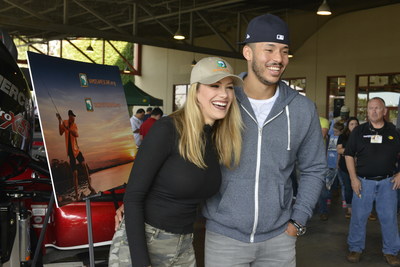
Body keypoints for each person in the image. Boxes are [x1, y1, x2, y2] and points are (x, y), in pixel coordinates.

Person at [202, 14, 327, 266]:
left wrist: (298, 220)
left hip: (279, 240)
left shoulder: (302, 109)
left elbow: (315, 168)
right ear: (248, 52)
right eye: (269, 49)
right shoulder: (223, 102)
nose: (278, 59)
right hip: (224, 237)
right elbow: (183, 152)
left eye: (284, 51)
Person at [108, 57, 244, 267]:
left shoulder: (215, 138)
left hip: (184, 244)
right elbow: (133, 197)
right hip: (144, 241)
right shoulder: (168, 129)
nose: (224, 94)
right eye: (215, 85)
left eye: (229, 87)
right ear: (196, 91)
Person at [345, 97, 400, 266]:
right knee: (358, 217)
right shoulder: (359, 131)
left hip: (388, 183)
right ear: (367, 111)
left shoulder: (393, 131)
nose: (373, 111)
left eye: (377, 108)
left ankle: (391, 251)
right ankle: (355, 248)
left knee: (389, 218)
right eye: (370, 108)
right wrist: (354, 179)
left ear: (384, 111)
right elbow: (348, 155)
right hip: (363, 182)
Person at [57, 110, 94, 200]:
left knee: (84, 164)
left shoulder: (74, 125)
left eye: (74, 117)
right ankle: (77, 195)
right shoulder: (65, 122)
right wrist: (59, 121)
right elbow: (61, 132)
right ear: (69, 116)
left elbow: (76, 134)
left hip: (76, 150)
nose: (74, 118)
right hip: (70, 153)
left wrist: (68, 129)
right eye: (73, 116)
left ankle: (89, 186)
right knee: (75, 173)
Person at [318, 121, 344, 221]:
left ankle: (334, 193)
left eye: (337, 131)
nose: (334, 132)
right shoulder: (330, 135)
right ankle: (323, 211)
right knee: (325, 189)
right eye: (333, 130)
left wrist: (338, 164)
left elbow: (339, 152)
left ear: (341, 131)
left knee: (337, 186)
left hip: (337, 166)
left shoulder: (342, 138)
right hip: (328, 165)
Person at [336, 117, 359, 219]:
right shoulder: (342, 136)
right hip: (344, 167)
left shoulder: (362, 136)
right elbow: (339, 150)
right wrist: (351, 151)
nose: (354, 126)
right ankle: (350, 209)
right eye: (352, 124)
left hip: (359, 168)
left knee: (360, 188)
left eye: (356, 124)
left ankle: (362, 208)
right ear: (348, 126)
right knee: (348, 188)